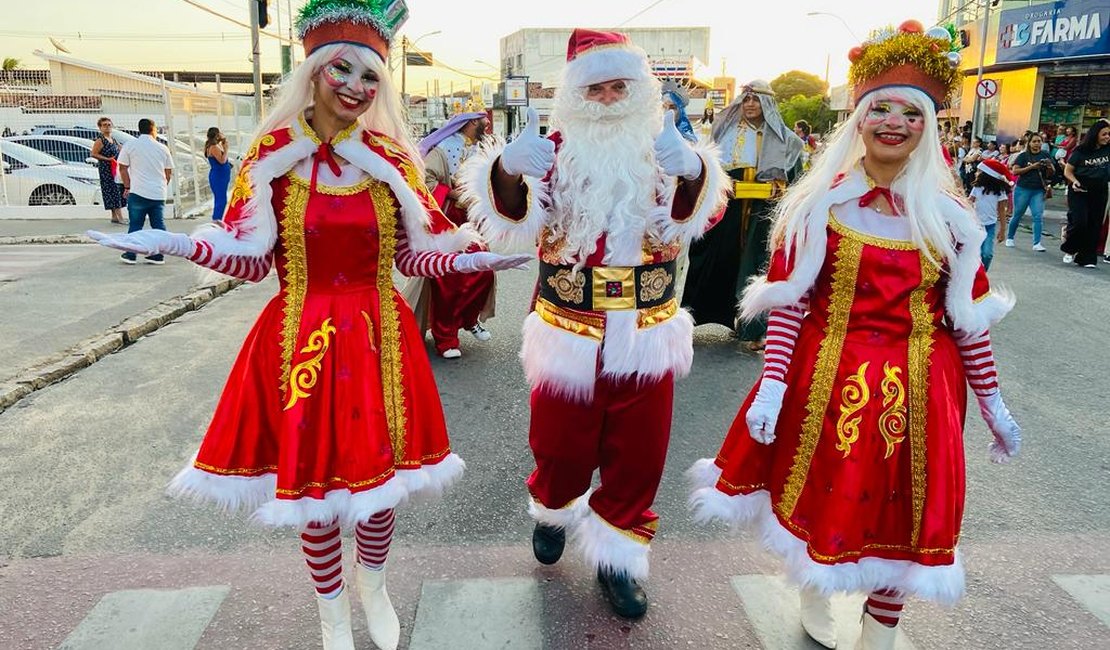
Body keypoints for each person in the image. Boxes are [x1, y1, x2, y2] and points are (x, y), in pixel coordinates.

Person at [87, 2, 528, 648]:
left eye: (369, 76)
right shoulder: (272, 157)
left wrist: (470, 254)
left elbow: (410, 257)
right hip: (302, 339)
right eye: (340, 70)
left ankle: (371, 583)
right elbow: (247, 259)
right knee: (315, 493)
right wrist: (182, 246)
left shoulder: (392, 161)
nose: (355, 87)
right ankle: (330, 614)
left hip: (381, 336)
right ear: (314, 71)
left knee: (380, 490)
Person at [687, 23, 1020, 650]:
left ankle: (881, 626)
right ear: (859, 121)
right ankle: (815, 584)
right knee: (823, 494)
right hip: (827, 379)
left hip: (924, 390)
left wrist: (993, 402)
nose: (894, 123)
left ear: (927, 127)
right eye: (881, 110)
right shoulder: (820, 207)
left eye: (910, 113)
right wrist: (773, 384)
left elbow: (969, 323)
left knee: (908, 509)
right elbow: (790, 305)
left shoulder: (952, 221)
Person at [459, 28, 727, 619]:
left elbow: (700, 219)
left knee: (640, 455)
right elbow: (512, 226)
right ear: (575, 97)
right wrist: (505, 170)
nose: (607, 100)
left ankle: (618, 557)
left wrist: (693, 173)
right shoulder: (551, 150)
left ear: (640, 92)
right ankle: (554, 505)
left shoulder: (664, 150)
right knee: (559, 446)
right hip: (566, 326)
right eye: (595, 89)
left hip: (647, 329)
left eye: (619, 88)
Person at [681, 79, 804, 350]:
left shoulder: (787, 141)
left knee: (757, 266)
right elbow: (708, 171)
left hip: (763, 213)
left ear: (767, 104)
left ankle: (754, 328)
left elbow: (796, 182)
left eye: (755, 99)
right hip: (727, 210)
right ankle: (692, 318)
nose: (749, 104)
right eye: (746, 99)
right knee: (713, 258)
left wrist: (781, 190)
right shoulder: (726, 132)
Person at [403, 111, 497, 358]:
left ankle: (469, 318)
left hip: (473, 222)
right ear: (471, 123)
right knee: (447, 281)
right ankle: (446, 339)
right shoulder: (444, 149)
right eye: (483, 120)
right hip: (446, 221)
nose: (487, 124)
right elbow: (423, 181)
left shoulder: (481, 150)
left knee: (483, 272)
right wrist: (454, 195)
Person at [115, 118, 174, 264]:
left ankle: (131, 254)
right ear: (153, 129)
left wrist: (127, 186)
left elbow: (122, 167)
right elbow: (168, 171)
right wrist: (162, 185)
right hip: (158, 193)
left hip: (138, 192)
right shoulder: (162, 148)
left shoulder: (130, 145)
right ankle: (158, 255)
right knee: (158, 225)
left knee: (135, 225)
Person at [1060, 119, 1110, 268]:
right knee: (1080, 222)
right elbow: (1068, 170)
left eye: (1109, 134)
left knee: (1094, 225)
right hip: (1080, 190)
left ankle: (1087, 258)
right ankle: (1070, 248)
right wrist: (1074, 181)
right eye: (1104, 134)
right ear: (1095, 135)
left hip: (1100, 191)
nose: (1107, 137)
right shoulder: (1080, 151)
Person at [1005, 132, 1054, 251]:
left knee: (1038, 215)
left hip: (1038, 189)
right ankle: (1010, 237)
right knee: (1018, 214)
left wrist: (1049, 166)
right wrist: (1032, 167)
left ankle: (1037, 243)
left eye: (1039, 141)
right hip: (1023, 188)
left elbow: (1052, 173)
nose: (1037, 144)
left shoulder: (1045, 154)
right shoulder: (1023, 156)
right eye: (1034, 141)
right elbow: (1015, 171)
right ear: (1029, 143)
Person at [970, 159, 1011, 269]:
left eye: (979, 171)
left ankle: (983, 273)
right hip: (975, 225)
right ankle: (975, 276)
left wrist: (1002, 230)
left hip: (989, 226)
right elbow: (969, 202)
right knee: (974, 253)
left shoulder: (1000, 191)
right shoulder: (977, 188)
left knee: (987, 254)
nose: (976, 173)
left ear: (987, 175)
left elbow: (1002, 210)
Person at [89, 116, 125, 224]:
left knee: (117, 191)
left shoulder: (113, 139)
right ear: (100, 128)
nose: (107, 127)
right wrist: (107, 159)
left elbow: (121, 150)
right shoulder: (100, 141)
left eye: (109, 125)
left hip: (115, 169)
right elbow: (93, 154)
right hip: (106, 170)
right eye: (104, 125)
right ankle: (120, 217)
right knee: (112, 192)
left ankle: (115, 216)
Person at [205, 126, 233, 221]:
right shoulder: (213, 147)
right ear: (217, 135)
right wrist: (226, 149)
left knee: (221, 198)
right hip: (218, 176)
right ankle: (216, 220)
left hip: (222, 175)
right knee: (221, 200)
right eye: (220, 133)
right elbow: (222, 160)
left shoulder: (217, 145)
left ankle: (218, 219)